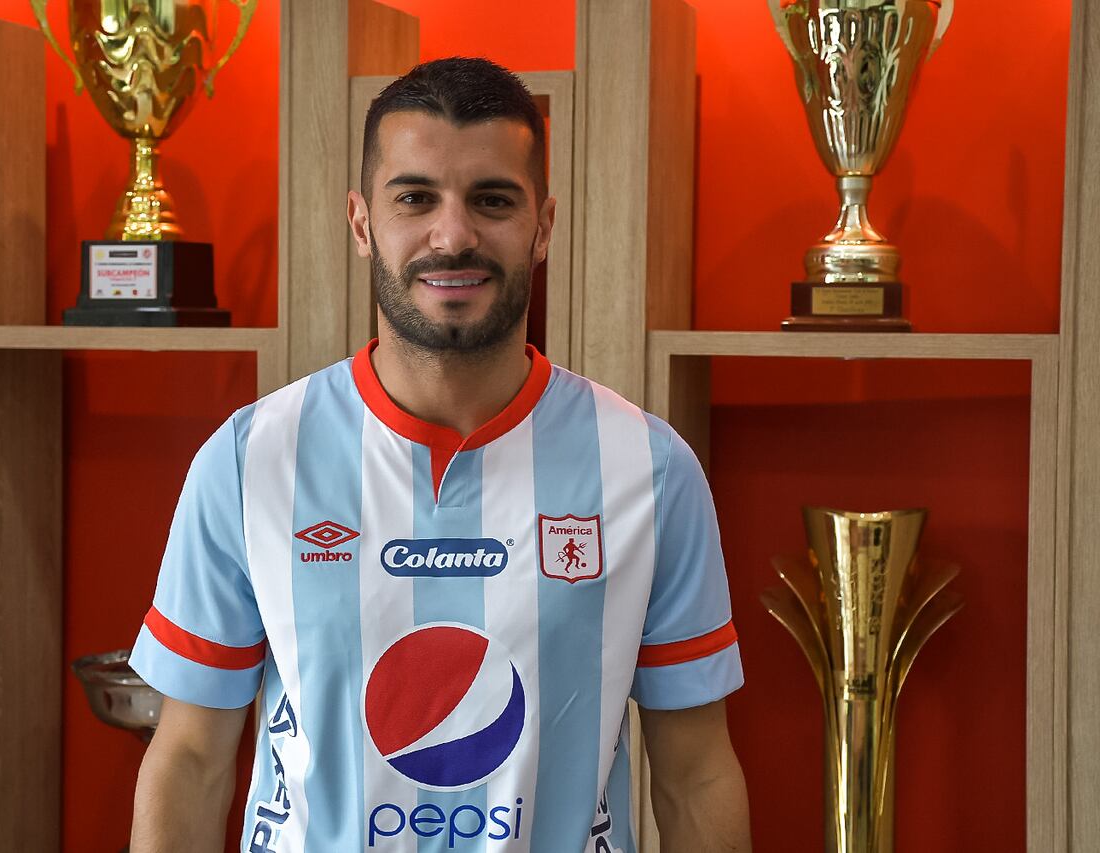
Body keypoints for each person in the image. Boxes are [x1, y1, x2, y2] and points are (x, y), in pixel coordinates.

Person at [130, 57, 751, 852]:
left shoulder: (649, 469)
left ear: (544, 227)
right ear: (362, 223)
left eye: (492, 200)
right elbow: (189, 761)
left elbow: (696, 776)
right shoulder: (251, 461)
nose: (453, 235)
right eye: (415, 198)